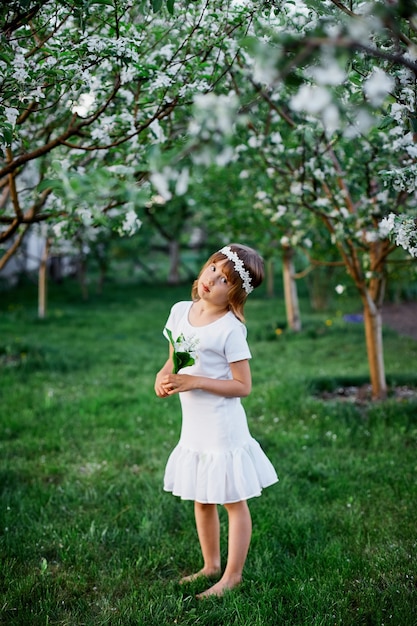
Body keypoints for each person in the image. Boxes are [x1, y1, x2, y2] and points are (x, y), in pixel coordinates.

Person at [154, 243, 278, 598]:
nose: (212, 279)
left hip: (222, 428)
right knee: (202, 497)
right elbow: (176, 357)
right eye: (212, 268)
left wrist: (193, 381)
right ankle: (210, 565)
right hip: (194, 427)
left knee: (232, 501)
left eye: (225, 279)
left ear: (236, 293)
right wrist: (164, 376)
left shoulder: (230, 329)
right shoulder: (181, 311)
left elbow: (243, 386)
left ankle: (232, 575)